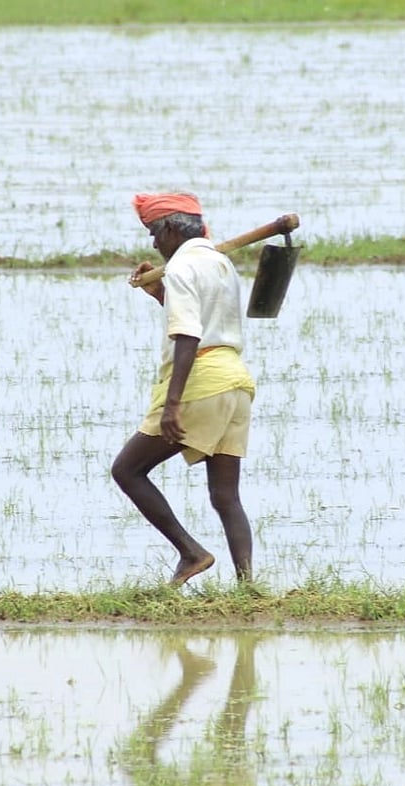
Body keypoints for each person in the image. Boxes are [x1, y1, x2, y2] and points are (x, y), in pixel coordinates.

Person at [111, 192, 256, 586]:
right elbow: (204, 320)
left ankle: (191, 553)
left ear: (172, 229)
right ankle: (248, 586)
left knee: (128, 469)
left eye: (154, 235)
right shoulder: (221, 264)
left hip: (202, 380)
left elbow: (189, 334)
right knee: (226, 494)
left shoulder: (180, 269)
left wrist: (172, 404)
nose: (154, 245)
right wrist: (159, 294)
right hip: (237, 381)